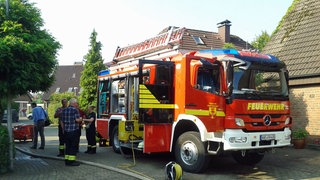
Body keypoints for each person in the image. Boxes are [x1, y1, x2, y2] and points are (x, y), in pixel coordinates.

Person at [61, 98, 82, 166]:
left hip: (66, 131)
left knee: (67, 146)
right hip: (73, 131)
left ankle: (67, 160)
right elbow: (77, 120)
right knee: (73, 146)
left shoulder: (64, 110)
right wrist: (81, 119)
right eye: (76, 103)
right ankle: (72, 161)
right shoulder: (75, 110)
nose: (76, 104)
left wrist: (63, 129)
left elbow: (62, 121)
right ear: (73, 103)